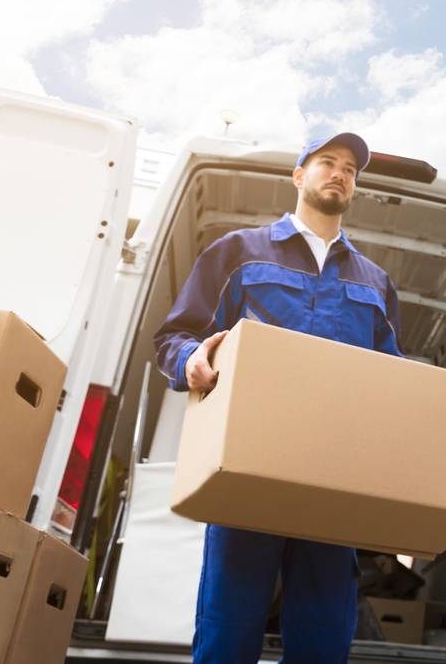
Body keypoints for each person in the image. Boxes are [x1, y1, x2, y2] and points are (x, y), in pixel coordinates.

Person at [154, 131, 401, 663]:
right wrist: (192, 362)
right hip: (246, 467)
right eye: (326, 163)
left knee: (324, 634)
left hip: (335, 479)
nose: (339, 174)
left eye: (351, 170)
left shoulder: (375, 282)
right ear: (298, 175)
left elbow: (392, 381)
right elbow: (174, 337)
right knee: (228, 626)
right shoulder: (238, 253)